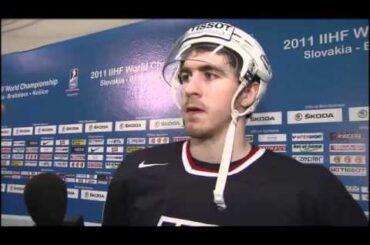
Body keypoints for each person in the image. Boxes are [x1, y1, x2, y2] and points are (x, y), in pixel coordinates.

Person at [103, 21, 368, 226]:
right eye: (185, 76)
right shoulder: (135, 170)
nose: (190, 88)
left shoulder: (310, 188)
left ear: (248, 93)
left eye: (210, 74)